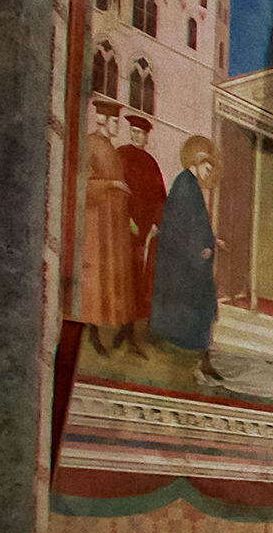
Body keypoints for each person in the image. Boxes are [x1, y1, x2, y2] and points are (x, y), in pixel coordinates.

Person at [151, 136, 222, 381]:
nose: (208, 173)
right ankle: (202, 358)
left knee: (202, 303)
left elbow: (198, 225)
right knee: (200, 303)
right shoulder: (185, 185)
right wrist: (199, 250)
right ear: (198, 163)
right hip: (184, 261)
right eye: (207, 168)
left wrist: (212, 241)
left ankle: (203, 356)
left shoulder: (191, 185)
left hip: (190, 259)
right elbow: (181, 226)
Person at [75, 101, 138, 351]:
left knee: (111, 274)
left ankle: (102, 329)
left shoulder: (110, 148)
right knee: (96, 275)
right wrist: (111, 185)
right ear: (102, 120)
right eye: (114, 121)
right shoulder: (91, 144)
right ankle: (92, 333)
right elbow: (84, 182)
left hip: (112, 222)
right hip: (97, 223)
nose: (116, 127)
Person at [117, 114, 167, 349]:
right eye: (134, 132)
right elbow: (116, 187)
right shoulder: (122, 155)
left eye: (141, 133)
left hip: (143, 232)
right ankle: (120, 328)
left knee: (138, 278)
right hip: (122, 226)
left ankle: (129, 330)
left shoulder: (150, 163)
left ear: (147, 137)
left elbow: (160, 198)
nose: (136, 136)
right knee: (121, 275)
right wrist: (125, 217)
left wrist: (157, 222)